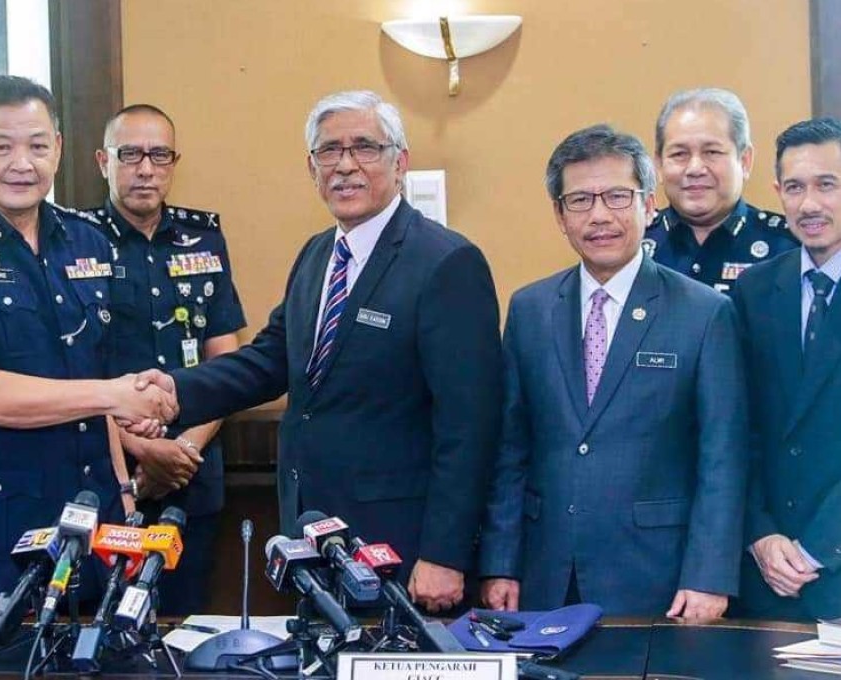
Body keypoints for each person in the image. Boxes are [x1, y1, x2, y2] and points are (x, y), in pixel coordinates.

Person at [164, 90, 503, 612]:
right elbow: (271, 360)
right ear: (311, 168)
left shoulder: (446, 262)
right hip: (311, 534)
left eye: (365, 147)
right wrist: (170, 391)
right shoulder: (319, 253)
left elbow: (470, 426)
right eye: (329, 151)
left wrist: (445, 553)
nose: (345, 165)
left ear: (401, 162)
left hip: (403, 550)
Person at [0, 75, 175, 602]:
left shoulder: (89, 241)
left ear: (60, 150)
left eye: (38, 146)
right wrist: (113, 394)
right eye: (1, 147)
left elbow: (102, 380)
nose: (22, 163)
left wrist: (125, 496)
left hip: (92, 531)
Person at [479, 125, 747, 618]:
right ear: (560, 216)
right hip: (545, 573)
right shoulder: (530, 309)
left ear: (648, 206)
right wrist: (500, 562)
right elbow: (511, 447)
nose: (599, 215)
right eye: (579, 200)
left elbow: (722, 459)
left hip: (658, 578)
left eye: (618, 197)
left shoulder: (703, 313)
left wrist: (708, 576)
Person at [92, 104, 245, 614]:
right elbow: (70, 372)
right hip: (109, 474)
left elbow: (227, 363)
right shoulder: (74, 242)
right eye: (129, 154)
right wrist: (142, 450)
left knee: (182, 626)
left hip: (192, 473)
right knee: (106, 628)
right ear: (102, 161)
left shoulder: (204, 238)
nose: (145, 168)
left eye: (159, 154)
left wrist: (180, 453)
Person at [735, 118, 841, 621]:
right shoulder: (754, 290)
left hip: (828, 564)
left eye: (828, 184)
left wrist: (816, 550)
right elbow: (736, 427)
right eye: (795, 187)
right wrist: (759, 533)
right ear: (777, 192)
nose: (810, 204)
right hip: (765, 574)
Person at [645, 88, 796, 293]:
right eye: (679, 154)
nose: (695, 168)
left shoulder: (788, 247)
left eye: (712, 152)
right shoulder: (635, 245)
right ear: (659, 165)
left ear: (744, 161)